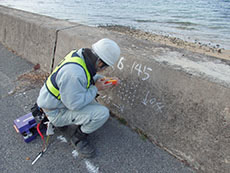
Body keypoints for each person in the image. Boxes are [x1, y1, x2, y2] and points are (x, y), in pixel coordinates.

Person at [37, 38, 120, 158]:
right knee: (102, 114)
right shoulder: (74, 74)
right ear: (100, 63)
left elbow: (89, 75)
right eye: (105, 67)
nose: (104, 70)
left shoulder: (80, 55)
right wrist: (96, 88)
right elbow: (74, 105)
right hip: (55, 112)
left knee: (93, 105)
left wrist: (103, 80)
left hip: (55, 100)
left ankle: (74, 124)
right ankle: (78, 138)